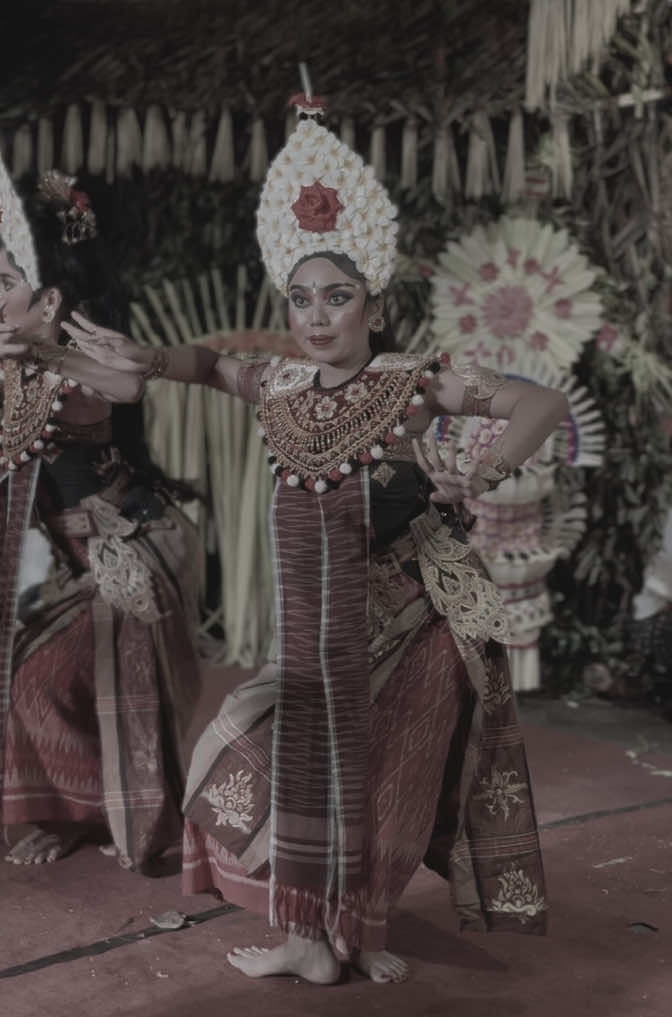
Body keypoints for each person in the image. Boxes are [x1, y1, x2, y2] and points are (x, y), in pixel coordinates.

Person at [53, 95, 569, 983]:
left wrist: (479, 473)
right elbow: (213, 364)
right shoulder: (281, 380)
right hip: (311, 635)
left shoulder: (416, 383)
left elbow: (541, 403)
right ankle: (306, 935)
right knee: (257, 748)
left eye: (337, 296)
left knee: (384, 783)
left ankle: (355, 937)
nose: (317, 315)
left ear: (376, 297)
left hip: (411, 622)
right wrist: (151, 358)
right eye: (300, 298)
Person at [0, 166, 201, 871]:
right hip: (66, 563)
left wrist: (46, 354)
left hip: (134, 550)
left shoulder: (74, 362)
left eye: (2, 283)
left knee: (85, 674)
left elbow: (123, 385)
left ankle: (132, 816)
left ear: (48, 297)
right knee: (23, 671)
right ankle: (78, 812)